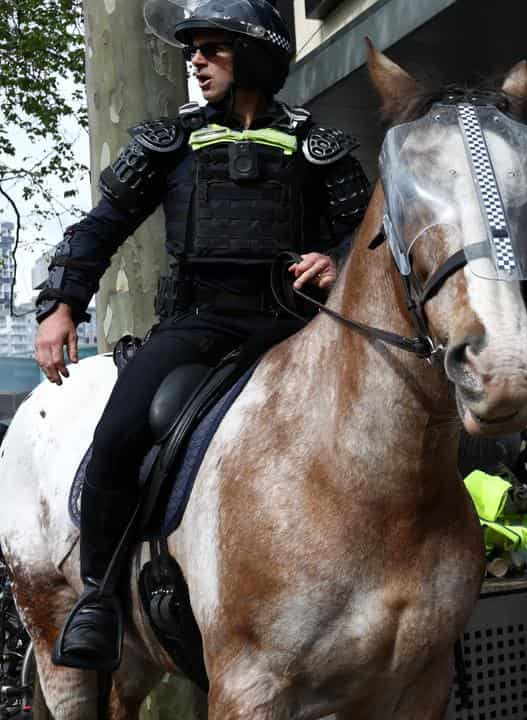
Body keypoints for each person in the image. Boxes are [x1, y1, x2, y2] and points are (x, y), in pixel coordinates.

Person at [34, 0, 371, 670]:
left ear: (254, 54)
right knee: (118, 432)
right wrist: (60, 305)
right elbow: (101, 225)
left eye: (212, 48)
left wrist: (339, 257)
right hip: (195, 325)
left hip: (295, 330)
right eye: (193, 50)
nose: (195, 60)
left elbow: (369, 233)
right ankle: (100, 596)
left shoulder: (316, 145)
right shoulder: (168, 141)